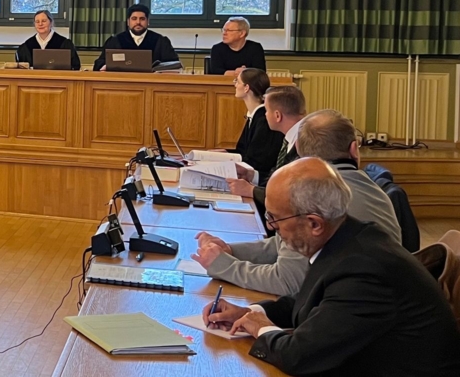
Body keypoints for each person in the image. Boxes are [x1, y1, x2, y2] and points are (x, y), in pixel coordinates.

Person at [202, 158, 460, 376]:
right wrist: (250, 312)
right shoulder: (348, 238)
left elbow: (298, 356)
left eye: (275, 218)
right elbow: (309, 302)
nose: (271, 227)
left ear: (314, 224)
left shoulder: (365, 271)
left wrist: (260, 327)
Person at [194, 110, 402, 296]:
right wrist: (232, 251)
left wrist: (224, 266)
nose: (270, 225)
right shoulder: (371, 188)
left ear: (298, 150)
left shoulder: (315, 195)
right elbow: (285, 244)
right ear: (354, 149)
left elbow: (287, 281)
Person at [227, 85, 306, 202]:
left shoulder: (307, 141)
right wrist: (251, 175)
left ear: (277, 116)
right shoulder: (290, 135)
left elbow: (291, 193)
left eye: (267, 111)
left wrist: (251, 190)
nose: (265, 115)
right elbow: (278, 178)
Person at [231, 69, 283, 180]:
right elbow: (243, 151)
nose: (235, 85)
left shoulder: (264, 119)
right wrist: (223, 154)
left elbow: (257, 161)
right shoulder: (254, 115)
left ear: (246, 88)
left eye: (237, 81)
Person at [93, 4, 178, 71]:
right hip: (122, 83)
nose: (138, 22)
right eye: (134, 19)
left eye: (142, 19)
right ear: (128, 22)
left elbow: (173, 64)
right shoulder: (115, 41)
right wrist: (105, 66)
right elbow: (100, 63)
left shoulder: (161, 41)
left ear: (148, 21)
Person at [15, 11, 81, 70]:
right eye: (37, 22)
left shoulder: (64, 44)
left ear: (51, 23)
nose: (40, 24)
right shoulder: (26, 46)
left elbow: (75, 66)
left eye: (44, 21)